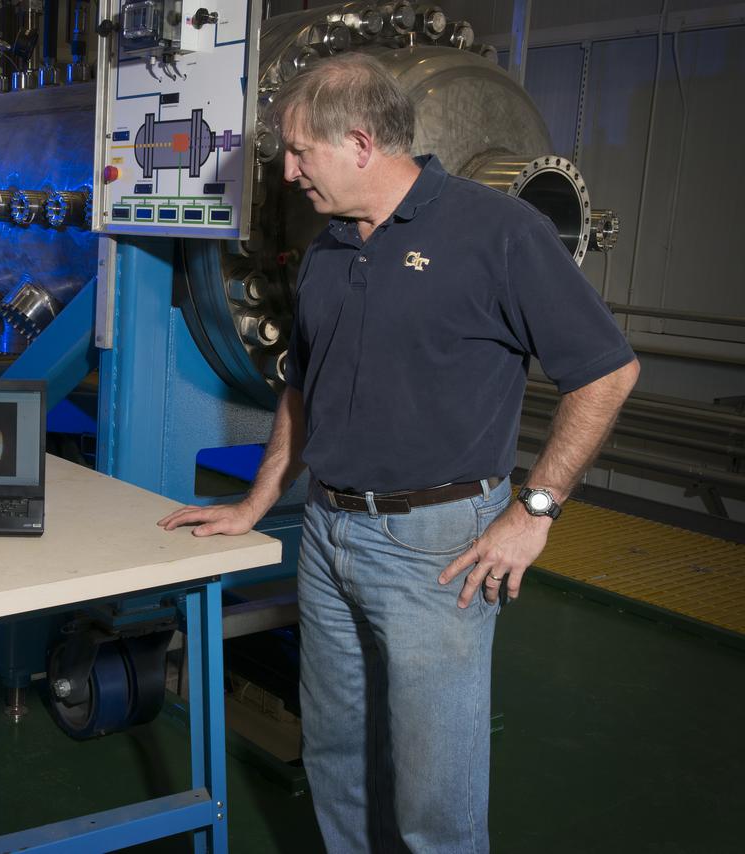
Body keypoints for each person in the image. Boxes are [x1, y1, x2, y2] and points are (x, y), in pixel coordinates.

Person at [159, 53, 639, 853]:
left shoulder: (499, 232)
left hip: (437, 549)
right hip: (327, 535)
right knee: (337, 759)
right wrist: (256, 501)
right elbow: (302, 391)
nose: (288, 176)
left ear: (358, 143)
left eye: (300, 154)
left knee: (433, 799)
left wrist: (536, 510)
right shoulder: (330, 247)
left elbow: (607, 370)